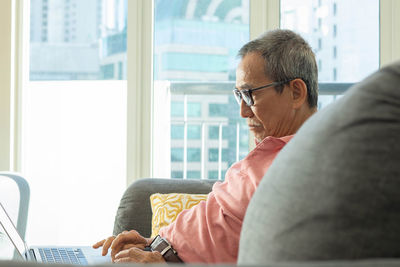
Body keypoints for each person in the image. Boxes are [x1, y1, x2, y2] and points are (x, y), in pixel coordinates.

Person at [92, 29, 319, 264]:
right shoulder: (273, 151)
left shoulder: (306, 172)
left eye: (250, 95)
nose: (243, 111)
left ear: (296, 92)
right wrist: (151, 243)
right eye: (239, 95)